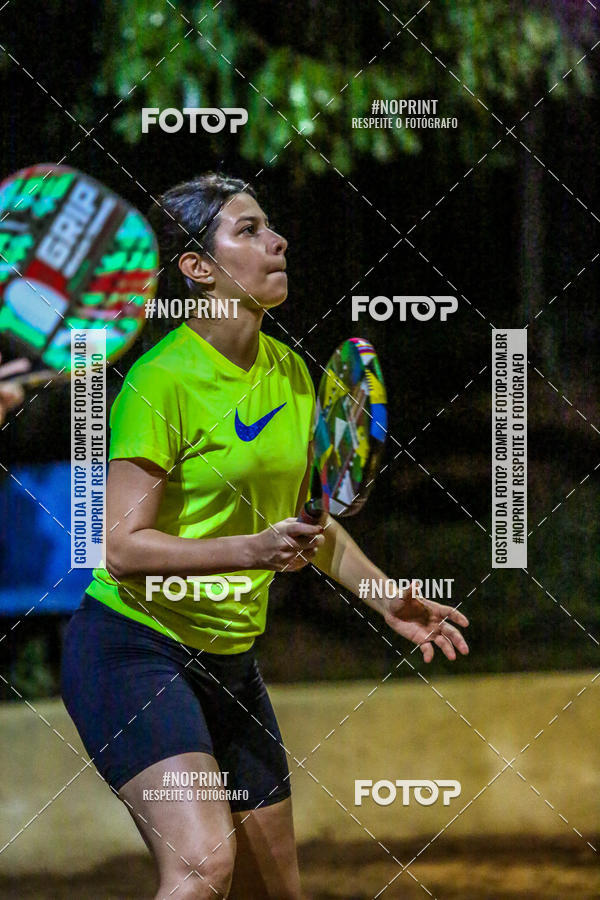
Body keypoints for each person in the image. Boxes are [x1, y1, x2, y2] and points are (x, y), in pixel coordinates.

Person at [60, 173, 469, 900]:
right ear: (197, 267)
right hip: (133, 651)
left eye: (270, 227)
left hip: (232, 662)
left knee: (274, 892)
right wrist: (247, 550)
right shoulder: (162, 383)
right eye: (247, 231)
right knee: (200, 867)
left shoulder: (291, 374)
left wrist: (385, 600)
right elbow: (121, 548)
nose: (276, 242)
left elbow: (311, 520)